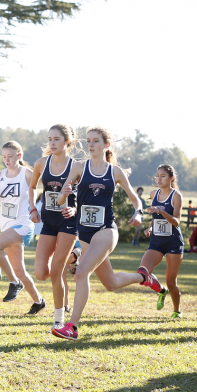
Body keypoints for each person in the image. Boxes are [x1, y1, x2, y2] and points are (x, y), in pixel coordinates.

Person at [52, 127, 156, 341]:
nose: (91, 145)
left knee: (81, 273)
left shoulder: (114, 171)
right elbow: (61, 200)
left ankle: (72, 326)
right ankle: (143, 276)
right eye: (88, 141)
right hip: (85, 233)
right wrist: (65, 193)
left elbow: (135, 199)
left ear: (106, 145)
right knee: (111, 283)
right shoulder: (79, 167)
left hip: (106, 231)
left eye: (96, 141)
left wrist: (138, 212)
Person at [29, 124, 83, 329]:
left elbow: (85, 196)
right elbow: (32, 186)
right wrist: (33, 208)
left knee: (56, 270)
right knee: (42, 273)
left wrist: (75, 209)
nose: (52, 143)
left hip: (68, 222)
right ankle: (74, 255)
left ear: (67, 141)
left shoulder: (77, 166)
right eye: (50, 139)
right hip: (48, 222)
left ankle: (59, 319)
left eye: (56, 139)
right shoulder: (42, 163)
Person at [0, 141, 45, 315]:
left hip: (24, 225)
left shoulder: (27, 174)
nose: (7, 160)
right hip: (8, 228)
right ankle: (38, 301)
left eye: (10, 156)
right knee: (20, 270)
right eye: (4, 157)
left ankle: (14, 282)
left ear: (19, 156)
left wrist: (35, 208)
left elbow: (45, 186)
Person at [139, 164, 184, 318]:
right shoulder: (153, 194)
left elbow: (176, 222)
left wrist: (162, 211)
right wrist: (150, 228)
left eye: (163, 176)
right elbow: (155, 218)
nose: (159, 178)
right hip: (156, 242)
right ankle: (161, 291)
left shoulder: (176, 196)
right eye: (157, 175)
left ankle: (177, 311)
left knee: (171, 281)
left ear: (171, 178)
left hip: (173, 242)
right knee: (143, 272)